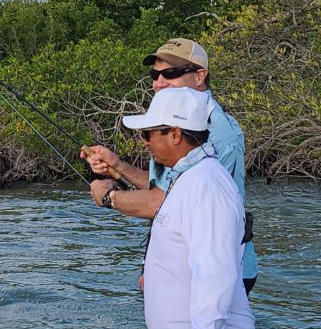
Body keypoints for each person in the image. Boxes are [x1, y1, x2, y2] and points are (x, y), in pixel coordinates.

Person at [84, 38, 258, 295]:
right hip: (180, 265)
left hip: (218, 271)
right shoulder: (177, 121)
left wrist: (108, 197)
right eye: (155, 75)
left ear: (200, 77)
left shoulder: (217, 130)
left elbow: (162, 203)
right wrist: (118, 166)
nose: (159, 82)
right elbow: (168, 186)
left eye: (171, 73)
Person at [105, 87, 257, 329]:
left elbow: (216, 269)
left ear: (175, 134)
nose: (144, 142)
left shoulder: (206, 184)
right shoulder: (187, 177)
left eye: (148, 134)